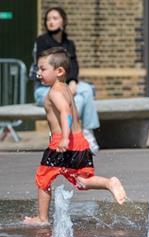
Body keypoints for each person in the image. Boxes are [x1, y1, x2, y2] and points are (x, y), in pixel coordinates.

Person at [23, 47, 126, 225]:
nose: (38, 73)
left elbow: (65, 112)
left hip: (62, 142)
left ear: (59, 71)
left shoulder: (55, 92)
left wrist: (63, 137)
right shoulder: (65, 89)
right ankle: (110, 183)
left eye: (42, 69)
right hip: (79, 141)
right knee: (82, 181)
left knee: (43, 178)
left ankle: (42, 218)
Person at [32, 7, 100, 153]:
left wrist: (73, 82)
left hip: (66, 84)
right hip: (45, 89)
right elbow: (47, 69)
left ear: (63, 21)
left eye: (55, 18)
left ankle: (87, 133)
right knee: (75, 101)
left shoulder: (69, 44)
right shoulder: (42, 41)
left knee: (86, 90)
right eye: (48, 19)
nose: (51, 21)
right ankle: (75, 136)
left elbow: (73, 65)